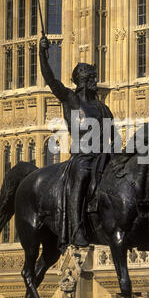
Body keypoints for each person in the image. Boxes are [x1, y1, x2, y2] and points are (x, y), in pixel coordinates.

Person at [39, 36, 116, 249]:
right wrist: (42, 55)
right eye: (91, 77)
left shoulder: (103, 108)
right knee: (81, 175)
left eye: (94, 77)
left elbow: (114, 138)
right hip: (82, 156)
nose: (94, 81)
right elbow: (51, 81)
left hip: (103, 156)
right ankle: (76, 228)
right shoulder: (71, 100)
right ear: (81, 80)